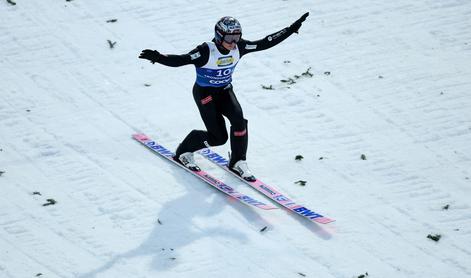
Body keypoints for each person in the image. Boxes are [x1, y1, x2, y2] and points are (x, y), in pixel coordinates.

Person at [139, 12, 309, 181]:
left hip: (225, 91)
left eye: (237, 37)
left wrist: (290, 29)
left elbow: (265, 43)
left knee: (239, 122)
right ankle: (184, 150)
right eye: (229, 38)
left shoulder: (239, 47)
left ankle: (238, 161)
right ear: (219, 36)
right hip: (205, 94)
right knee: (218, 138)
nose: (233, 43)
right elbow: (181, 60)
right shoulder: (206, 51)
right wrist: (159, 57)